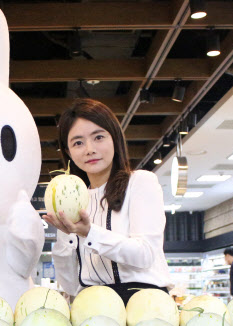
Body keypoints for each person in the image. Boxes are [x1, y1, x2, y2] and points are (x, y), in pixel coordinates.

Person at [44, 98, 172, 305]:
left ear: (115, 139)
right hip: (92, 304)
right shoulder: (71, 200)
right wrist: (66, 236)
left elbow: (146, 254)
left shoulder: (140, 182)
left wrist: (89, 232)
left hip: (145, 303)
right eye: (78, 142)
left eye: (98, 137)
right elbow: (68, 284)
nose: (89, 149)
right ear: (68, 153)